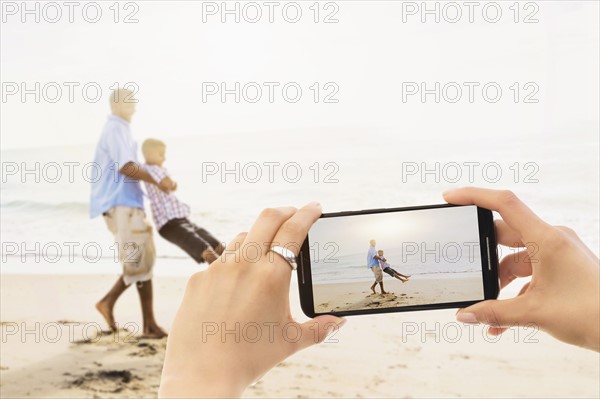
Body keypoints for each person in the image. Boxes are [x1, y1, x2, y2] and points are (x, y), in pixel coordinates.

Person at [158, 189, 599, 398]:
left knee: (385, 278)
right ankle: (399, 282)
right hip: (378, 271)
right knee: (382, 278)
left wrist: (195, 382)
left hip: (379, 271)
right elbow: (374, 261)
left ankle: (399, 281)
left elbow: (376, 260)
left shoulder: (376, 254)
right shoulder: (373, 254)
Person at [90, 88, 167, 338]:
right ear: (116, 104)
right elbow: (126, 167)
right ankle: (135, 318)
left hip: (126, 205)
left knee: (142, 262)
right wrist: (158, 181)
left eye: (133, 100)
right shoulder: (115, 129)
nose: (133, 105)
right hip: (122, 205)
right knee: (139, 262)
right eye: (128, 101)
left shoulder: (120, 129)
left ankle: (142, 320)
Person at [141, 138, 225, 264]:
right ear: (148, 154)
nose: (164, 158)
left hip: (181, 220)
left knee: (217, 246)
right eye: (161, 154)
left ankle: (232, 271)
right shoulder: (152, 169)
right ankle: (223, 277)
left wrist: (171, 184)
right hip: (169, 224)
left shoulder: (157, 169)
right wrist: (172, 183)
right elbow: (169, 184)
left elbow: (169, 185)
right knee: (206, 249)